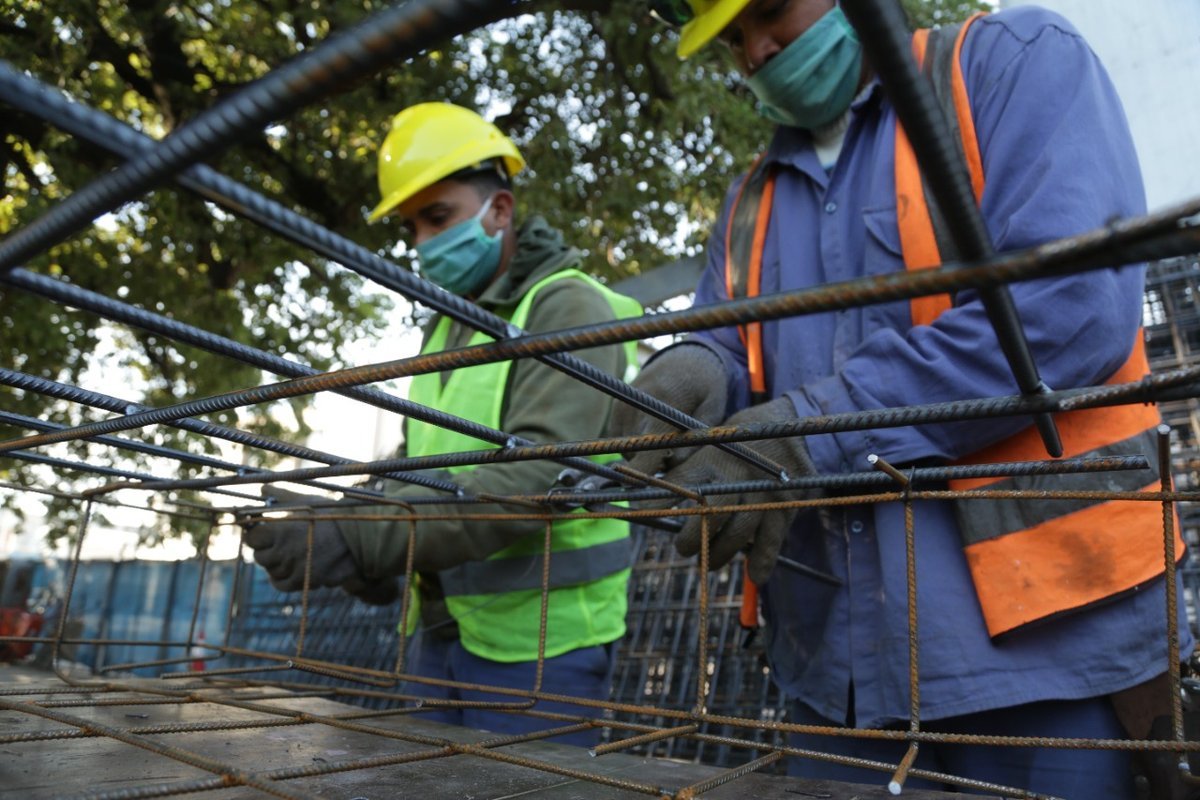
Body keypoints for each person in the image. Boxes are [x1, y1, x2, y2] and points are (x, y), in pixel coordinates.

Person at [609, 1, 1196, 796]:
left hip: (1049, 657)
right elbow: (733, 343)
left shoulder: (1008, 65)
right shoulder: (750, 200)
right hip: (834, 679)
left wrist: (808, 434)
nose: (756, 51)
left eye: (770, 11)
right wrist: (694, 364)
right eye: (733, 39)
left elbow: (1069, 311)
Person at [245, 102, 641, 746]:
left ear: (500, 210)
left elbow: (537, 479)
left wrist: (356, 537)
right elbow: (414, 466)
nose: (424, 244)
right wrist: (356, 538)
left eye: (438, 217)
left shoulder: (568, 306)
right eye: (412, 227)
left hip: (541, 648)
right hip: (438, 633)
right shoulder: (447, 328)